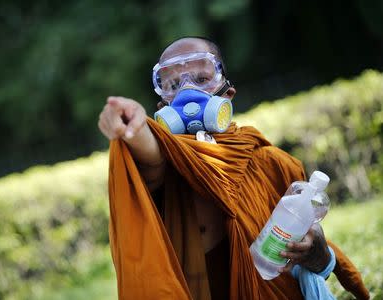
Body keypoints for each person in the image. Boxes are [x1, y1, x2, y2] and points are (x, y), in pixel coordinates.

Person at [98, 37, 368, 299]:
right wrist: (134, 127)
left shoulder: (270, 161)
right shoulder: (169, 162)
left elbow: (305, 249)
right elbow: (152, 158)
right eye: (173, 84)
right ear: (162, 106)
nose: (187, 91)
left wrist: (317, 252)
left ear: (227, 93)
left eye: (202, 79)